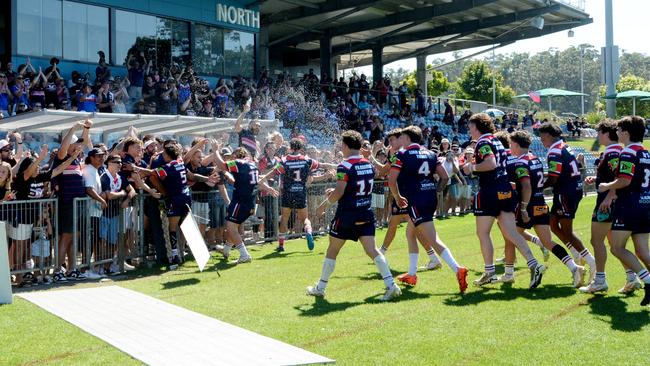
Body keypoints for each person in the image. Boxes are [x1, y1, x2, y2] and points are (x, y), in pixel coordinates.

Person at [307, 130, 401, 301]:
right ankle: (391, 285)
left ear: (345, 145)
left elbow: (340, 191)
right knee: (372, 250)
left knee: (332, 250)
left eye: (341, 145)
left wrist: (323, 205)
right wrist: (338, 191)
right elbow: (360, 184)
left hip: (347, 215)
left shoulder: (344, 166)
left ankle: (320, 288)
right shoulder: (367, 164)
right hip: (365, 212)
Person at [462, 113, 545, 289]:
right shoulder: (497, 140)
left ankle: (490, 272)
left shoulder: (483, 142)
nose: (469, 129)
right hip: (505, 189)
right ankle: (534, 264)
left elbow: (490, 164)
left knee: (483, 233)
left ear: (476, 127)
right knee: (512, 232)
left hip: (490, 190)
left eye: (470, 126)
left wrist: (471, 167)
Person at [388, 126, 468, 292]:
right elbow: (445, 176)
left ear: (408, 138)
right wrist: (436, 190)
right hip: (429, 198)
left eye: (402, 138)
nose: (400, 141)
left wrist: (397, 197)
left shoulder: (401, 155)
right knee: (410, 233)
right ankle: (411, 273)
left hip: (415, 200)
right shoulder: (431, 154)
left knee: (432, 239)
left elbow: (391, 179)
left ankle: (457, 269)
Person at [507, 131, 585, 287]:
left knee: (512, 235)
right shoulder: (534, 158)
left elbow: (527, 186)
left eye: (510, 144)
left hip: (529, 205)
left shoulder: (520, 162)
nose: (510, 148)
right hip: (541, 204)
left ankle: (533, 266)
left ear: (516, 144)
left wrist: (523, 208)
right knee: (548, 242)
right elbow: (535, 182)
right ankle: (574, 267)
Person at [597, 116, 650, 306]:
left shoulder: (628, 153)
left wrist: (606, 186)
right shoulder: (646, 153)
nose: (616, 133)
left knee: (617, 248)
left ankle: (647, 281)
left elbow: (625, 181)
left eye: (619, 130)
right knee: (643, 252)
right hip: (645, 204)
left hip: (629, 205)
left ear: (626, 133)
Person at [580, 120, 634, 294]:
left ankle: (600, 280)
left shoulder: (612, 153)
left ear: (605, 133)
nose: (597, 136)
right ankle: (632, 278)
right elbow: (612, 176)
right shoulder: (615, 151)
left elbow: (619, 178)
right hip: (615, 202)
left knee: (596, 241)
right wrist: (595, 179)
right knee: (614, 243)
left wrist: (610, 197)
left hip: (607, 203)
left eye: (599, 133)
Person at [539, 122, 596, 282]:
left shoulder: (555, 151)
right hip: (571, 189)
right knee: (552, 223)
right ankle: (576, 253)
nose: (541, 140)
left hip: (565, 192)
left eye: (542, 137)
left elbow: (554, 177)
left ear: (549, 135)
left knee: (567, 230)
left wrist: (538, 187)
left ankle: (591, 261)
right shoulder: (564, 146)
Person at [263, 138, 335, 252]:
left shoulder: (285, 160)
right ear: (301, 148)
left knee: (285, 219)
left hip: (288, 193)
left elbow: (272, 173)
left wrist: (262, 179)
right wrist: (336, 165)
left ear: (290, 148)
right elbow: (322, 165)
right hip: (301, 192)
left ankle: (281, 245)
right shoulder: (306, 160)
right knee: (305, 218)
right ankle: (309, 232)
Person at [211, 144, 278, 263]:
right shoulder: (253, 165)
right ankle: (226, 249)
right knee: (234, 226)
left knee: (231, 228)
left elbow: (221, 165)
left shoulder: (238, 162)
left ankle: (244, 254)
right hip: (250, 202)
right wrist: (268, 188)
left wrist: (216, 151)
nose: (231, 159)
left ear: (236, 155)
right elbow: (257, 180)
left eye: (232, 156)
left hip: (240, 201)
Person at [51, 120, 93, 282]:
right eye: (73, 144)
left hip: (78, 204)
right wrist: (73, 128)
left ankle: (71, 268)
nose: (77, 146)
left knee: (74, 236)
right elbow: (63, 149)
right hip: (67, 203)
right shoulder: (62, 158)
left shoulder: (76, 158)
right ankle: (58, 270)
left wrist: (86, 128)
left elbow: (84, 140)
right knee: (66, 236)